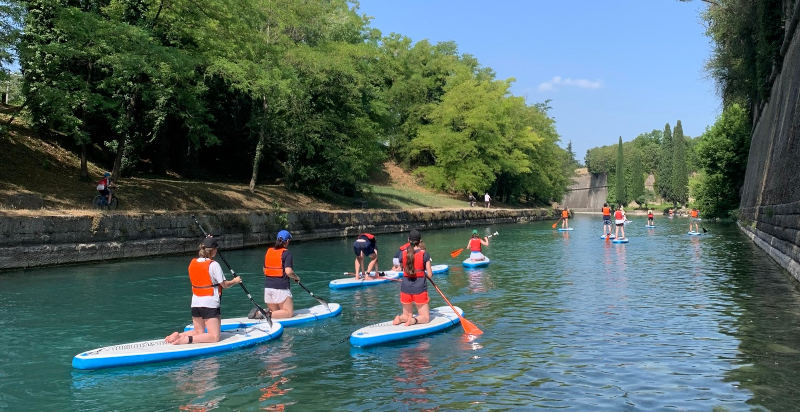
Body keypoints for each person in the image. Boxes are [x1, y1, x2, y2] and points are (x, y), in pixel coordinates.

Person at [165, 236, 242, 345]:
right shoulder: (214, 265)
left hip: (195, 302)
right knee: (214, 337)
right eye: (216, 249)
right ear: (213, 250)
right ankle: (186, 340)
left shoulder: (192, 263)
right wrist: (235, 281)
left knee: (198, 332)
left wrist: (208, 240)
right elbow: (224, 285)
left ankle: (179, 335)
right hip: (209, 303)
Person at [393, 229, 432, 326]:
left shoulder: (403, 253)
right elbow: (430, 274)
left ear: (408, 240)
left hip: (405, 287)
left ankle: (400, 318)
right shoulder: (424, 254)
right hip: (419, 288)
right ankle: (413, 320)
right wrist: (423, 273)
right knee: (425, 318)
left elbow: (402, 268)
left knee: (406, 315)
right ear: (420, 241)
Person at [262, 229, 300, 319]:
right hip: (281, 289)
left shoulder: (269, 252)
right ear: (287, 241)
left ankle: (265, 313)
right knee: (288, 313)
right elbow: (288, 271)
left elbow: (264, 270)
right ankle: (262, 314)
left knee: (277, 315)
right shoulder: (287, 253)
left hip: (268, 288)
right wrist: (296, 277)